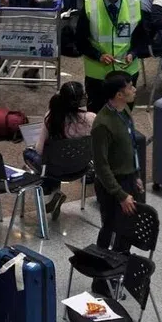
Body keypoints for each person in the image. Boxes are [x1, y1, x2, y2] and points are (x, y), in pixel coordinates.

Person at [76, 0, 147, 113]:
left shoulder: (134, 6)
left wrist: (133, 53)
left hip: (126, 72)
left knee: (124, 113)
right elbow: (80, 41)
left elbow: (142, 39)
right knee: (96, 114)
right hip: (98, 74)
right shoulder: (91, 6)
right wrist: (98, 55)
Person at [90, 71, 143, 261]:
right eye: (130, 86)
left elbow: (131, 144)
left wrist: (136, 175)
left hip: (128, 178)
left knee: (127, 228)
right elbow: (101, 166)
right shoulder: (102, 125)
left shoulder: (125, 111)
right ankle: (101, 268)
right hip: (112, 185)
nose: (134, 89)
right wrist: (120, 195)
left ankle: (121, 263)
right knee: (110, 227)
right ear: (119, 94)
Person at [23, 82, 96, 219]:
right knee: (57, 158)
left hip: (55, 168)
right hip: (82, 166)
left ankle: (52, 191)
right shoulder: (92, 118)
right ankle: (53, 193)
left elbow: (39, 150)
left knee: (33, 154)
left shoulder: (52, 117)